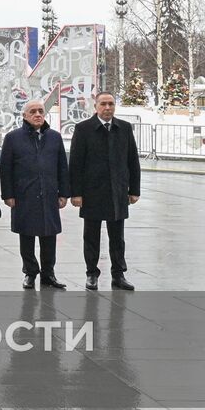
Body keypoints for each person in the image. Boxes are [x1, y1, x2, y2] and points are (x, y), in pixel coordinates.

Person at [69, 91, 141, 291]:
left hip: (117, 192)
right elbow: (75, 163)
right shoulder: (83, 129)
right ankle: (91, 273)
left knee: (117, 237)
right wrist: (76, 193)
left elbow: (132, 160)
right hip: (92, 191)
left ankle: (119, 274)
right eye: (103, 104)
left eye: (110, 104)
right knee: (91, 236)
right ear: (96, 107)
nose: (107, 108)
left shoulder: (124, 128)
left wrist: (134, 189)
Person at [0, 99, 70, 289]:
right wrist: (8, 194)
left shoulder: (54, 137)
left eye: (40, 111)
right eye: (33, 111)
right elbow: (5, 169)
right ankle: (30, 272)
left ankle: (49, 273)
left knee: (50, 235)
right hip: (24, 194)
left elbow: (62, 167)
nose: (38, 114)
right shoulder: (13, 138)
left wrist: (64, 193)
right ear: (25, 116)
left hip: (49, 194)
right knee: (27, 235)